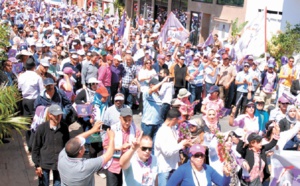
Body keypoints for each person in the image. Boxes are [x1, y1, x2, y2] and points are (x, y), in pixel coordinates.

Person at [58, 121, 115, 186]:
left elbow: (76, 139)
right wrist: (111, 138)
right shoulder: (85, 166)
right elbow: (109, 155)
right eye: (83, 145)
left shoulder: (62, 157)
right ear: (80, 152)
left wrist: (92, 130)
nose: (84, 146)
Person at [32, 104, 70, 186]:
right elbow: (35, 147)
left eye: (60, 115)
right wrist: (37, 165)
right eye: (56, 115)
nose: (58, 117)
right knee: (44, 183)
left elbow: (67, 144)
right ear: (50, 115)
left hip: (59, 162)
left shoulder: (64, 127)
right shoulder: (41, 128)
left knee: (58, 183)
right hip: (45, 163)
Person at [103, 108, 140, 186]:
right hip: (113, 165)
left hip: (128, 165)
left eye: (129, 120)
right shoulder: (113, 128)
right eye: (125, 120)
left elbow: (139, 145)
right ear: (120, 118)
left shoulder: (135, 129)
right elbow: (105, 145)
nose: (127, 123)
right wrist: (120, 147)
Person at [155, 108, 192, 186]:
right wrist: (181, 144)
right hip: (164, 169)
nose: (178, 122)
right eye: (178, 120)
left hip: (173, 167)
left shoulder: (172, 128)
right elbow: (167, 152)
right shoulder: (162, 132)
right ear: (174, 119)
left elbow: (174, 144)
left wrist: (182, 141)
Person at [167, 144, 231, 186]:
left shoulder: (208, 169)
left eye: (202, 155)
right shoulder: (182, 170)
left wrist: (227, 175)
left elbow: (223, 184)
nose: (200, 157)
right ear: (191, 157)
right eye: (196, 155)